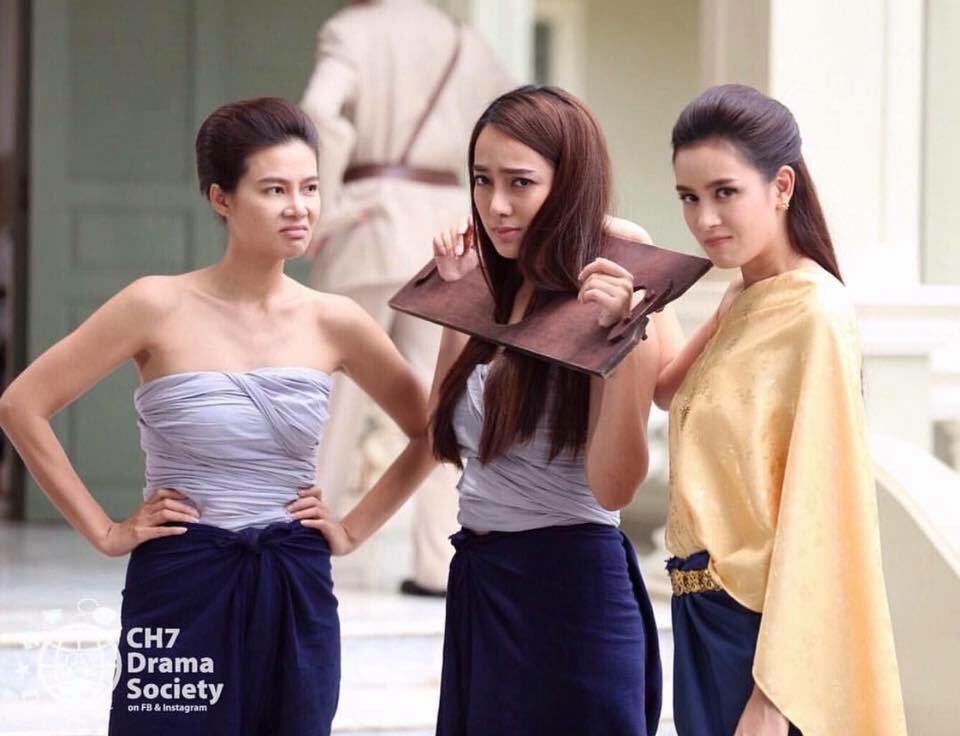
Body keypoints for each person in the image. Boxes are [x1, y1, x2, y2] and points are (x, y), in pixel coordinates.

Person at [0, 97, 435, 735]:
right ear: (221, 198)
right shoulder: (154, 305)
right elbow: (21, 405)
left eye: (311, 188)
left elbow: (431, 430)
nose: (299, 207)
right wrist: (105, 531)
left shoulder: (336, 319)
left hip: (293, 580)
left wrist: (351, 530)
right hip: (180, 579)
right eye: (275, 189)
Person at [656, 84, 907, 736]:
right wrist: (630, 292)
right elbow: (666, 392)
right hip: (702, 617)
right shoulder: (742, 297)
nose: (704, 219)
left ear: (782, 185)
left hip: (761, 634)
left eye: (724, 192)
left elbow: (822, 508)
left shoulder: (815, 313)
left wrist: (774, 694)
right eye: (689, 197)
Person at [427, 85, 674, 735]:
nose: (496, 205)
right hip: (481, 583)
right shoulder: (493, 283)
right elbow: (444, 435)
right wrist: (455, 297)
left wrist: (624, 337)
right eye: (481, 180)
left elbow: (615, 487)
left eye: (521, 182)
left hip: (572, 595)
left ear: (570, 184)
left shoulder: (611, 286)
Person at [300, 0, 513, 596]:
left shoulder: (350, 30)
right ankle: (439, 562)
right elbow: (511, 123)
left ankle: (306, 545)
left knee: (332, 395)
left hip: (367, 223)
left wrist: (324, 203)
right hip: (449, 229)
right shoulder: (467, 41)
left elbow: (318, 110)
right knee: (443, 394)